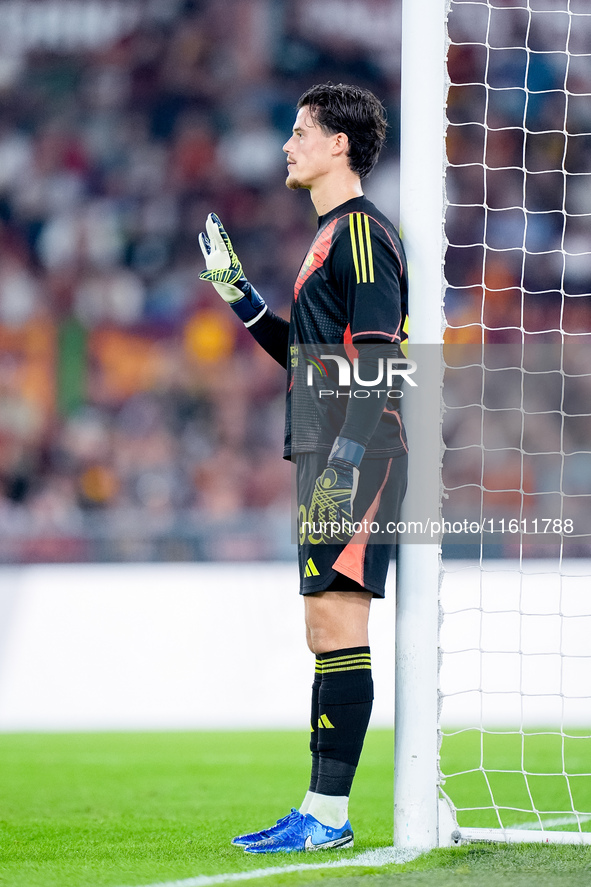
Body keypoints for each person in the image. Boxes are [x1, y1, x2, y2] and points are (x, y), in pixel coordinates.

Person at [198, 83, 408, 854]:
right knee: (325, 629)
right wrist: (236, 292)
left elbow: (381, 360)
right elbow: (304, 353)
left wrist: (347, 460)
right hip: (329, 452)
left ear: (337, 146)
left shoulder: (360, 235)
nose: (286, 146)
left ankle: (326, 815)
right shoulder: (329, 237)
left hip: (359, 453)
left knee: (338, 623)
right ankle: (318, 810)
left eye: (298, 132)